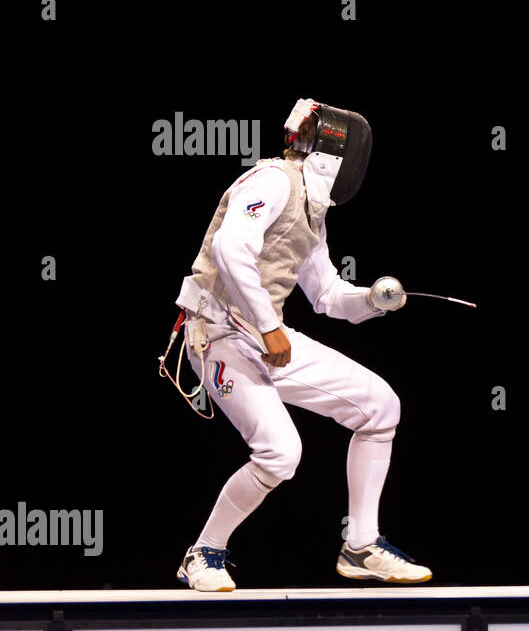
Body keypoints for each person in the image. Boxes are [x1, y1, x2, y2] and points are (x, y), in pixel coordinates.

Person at [169, 98, 430, 591]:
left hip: (265, 337)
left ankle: (361, 546)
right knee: (280, 453)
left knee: (380, 407)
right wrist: (270, 328)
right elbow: (230, 247)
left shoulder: (313, 209)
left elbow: (328, 296)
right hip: (216, 334)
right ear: (333, 152)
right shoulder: (272, 180)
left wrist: (373, 299)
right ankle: (203, 554)